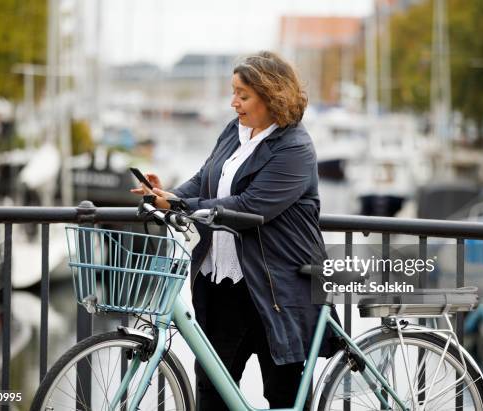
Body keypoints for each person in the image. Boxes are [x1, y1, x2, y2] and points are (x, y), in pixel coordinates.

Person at [131, 51, 335, 410]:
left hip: (276, 291)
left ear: (271, 96)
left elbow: (250, 206)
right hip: (222, 285)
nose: (233, 102)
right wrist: (171, 195)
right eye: (233, 92)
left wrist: (181, 208)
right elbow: (205, 179)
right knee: (212, 394)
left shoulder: (295, 148)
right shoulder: (235, 131)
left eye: (243, 95)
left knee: (284, 397)